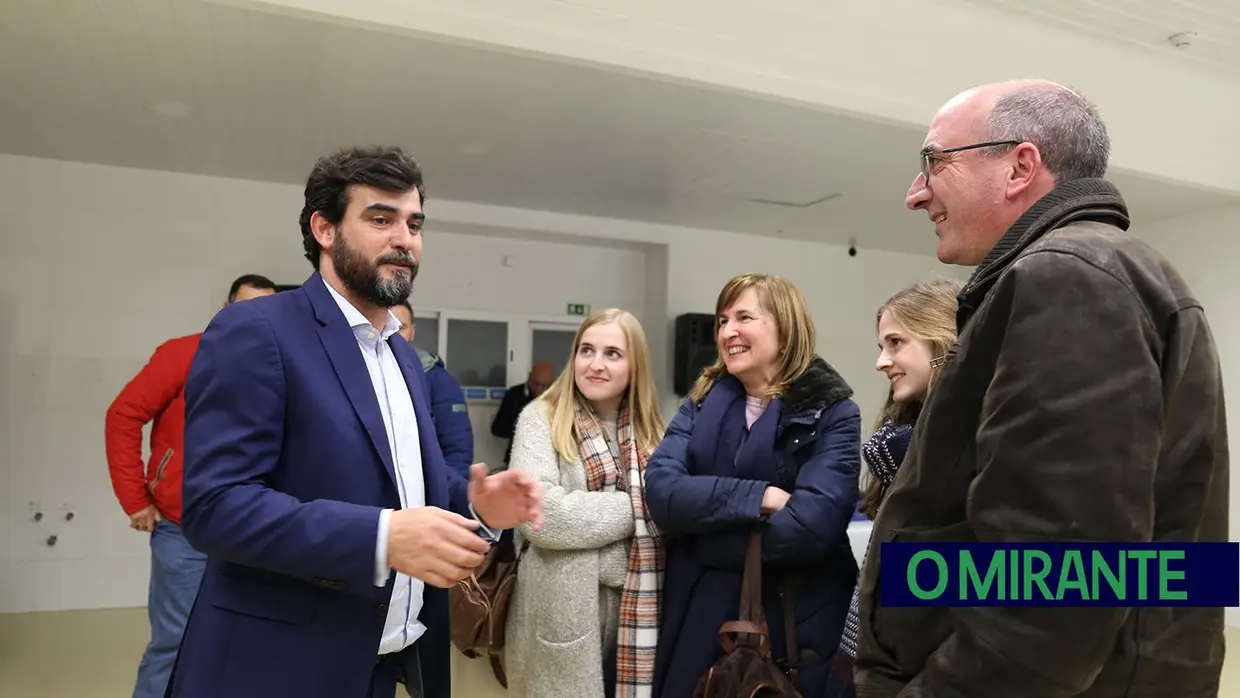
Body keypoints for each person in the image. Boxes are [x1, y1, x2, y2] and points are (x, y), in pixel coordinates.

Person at [854, 79, 1229, 697]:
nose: (916, 193)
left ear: (1019, 166)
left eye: (934, 163)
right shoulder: (1096, 272)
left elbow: (1056, 583)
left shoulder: (1068, 278)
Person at [168, 145, 543, 698]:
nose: (405, 238)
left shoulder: (402, 355)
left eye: (414, 223)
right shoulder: (257, 331)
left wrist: (478, 509)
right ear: (324, 228)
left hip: (383, 663)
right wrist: (381, 537)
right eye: (380, 218)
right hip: (280, 667)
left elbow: (413, 490)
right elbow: (214, 506)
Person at [644, 272, 862, 698]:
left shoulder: (833, 412)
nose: (728, 331)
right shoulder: (701, 403)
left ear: (785, 331)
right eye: (722, 321)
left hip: (794, 628)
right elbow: (663, 493)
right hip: (697, 619)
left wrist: (697, 539)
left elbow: (811, 529)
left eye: (744, 317)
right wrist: (756, 497)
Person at [104, 273, 276, 698]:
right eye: (244, 307)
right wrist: (135, 499)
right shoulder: (184, 354)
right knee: (175, 644)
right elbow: (122, 415)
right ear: (224, 309)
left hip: (253, 532)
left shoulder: (279, 366)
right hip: (183, 531)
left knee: (244, 645)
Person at [505, 308, 668, 698]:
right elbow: (540, 514)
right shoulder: (540, 418)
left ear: (635, 365)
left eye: (613, 353)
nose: (595, 364)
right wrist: (639, 509)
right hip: (557, 619)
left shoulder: (657, 434)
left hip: (639, 620)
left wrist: (591, 535)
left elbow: (674, 523)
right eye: (586, 350)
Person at [823, 279, 960, 698]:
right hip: (874, 653)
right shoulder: (899, 440)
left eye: (896, 343)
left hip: (925, 664)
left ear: (941, 342)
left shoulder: (971, 445)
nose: (882, 361)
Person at [392, 300, 474, 480]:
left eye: (401, 328)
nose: (393, 335)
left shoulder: (437, 379)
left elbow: (457, 447)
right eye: (388, 326)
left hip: (425, 489)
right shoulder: (366, 372)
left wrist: (446, 496)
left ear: (412, 332)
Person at [491, 361, 555, 465]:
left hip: (546, 459)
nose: (539, 389)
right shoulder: (514, 395)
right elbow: (497, 429)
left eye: (544, 386)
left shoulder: (556, 398)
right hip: (517, 457)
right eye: (536, 383)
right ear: (530, 377)